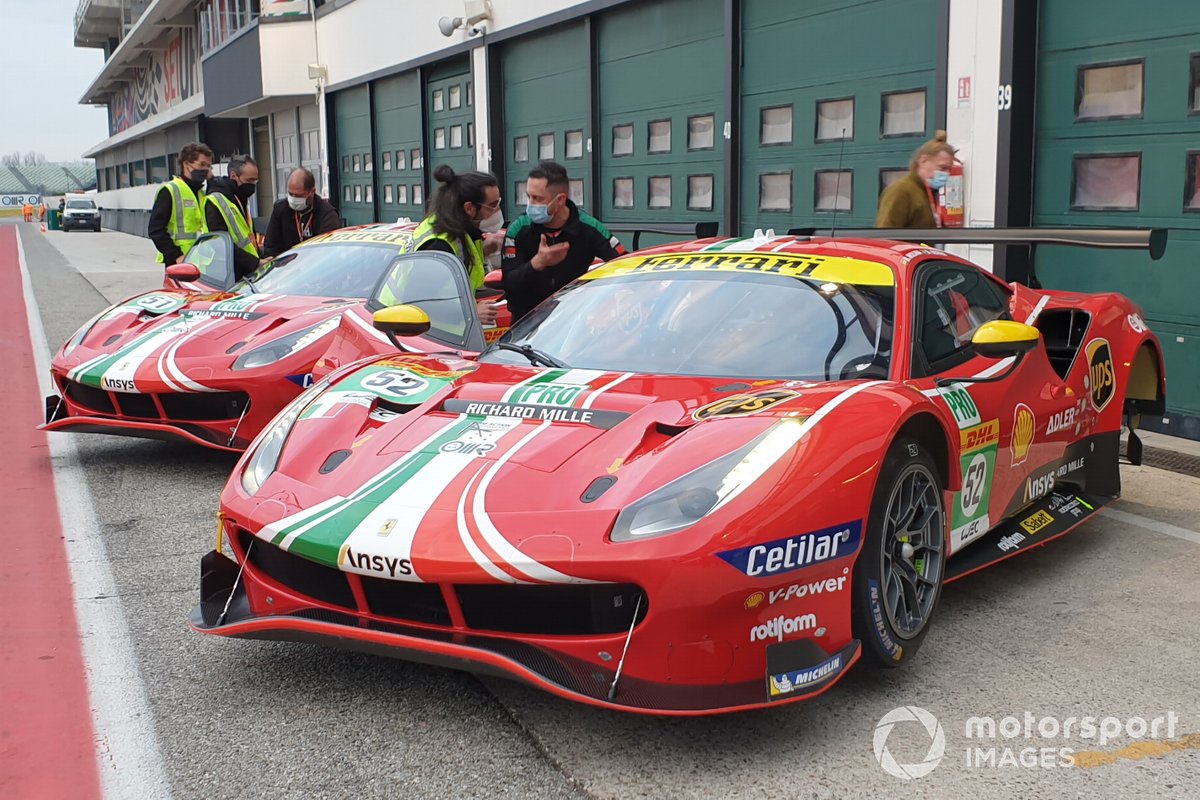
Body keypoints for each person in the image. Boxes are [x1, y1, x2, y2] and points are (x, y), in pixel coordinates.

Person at [502, 160, 626, 321]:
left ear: (560, 199)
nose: (530, 205)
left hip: (572, 320)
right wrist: (537, 263)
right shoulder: (518, 229)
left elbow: (624, 266)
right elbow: (509, 284)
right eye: (529, 197)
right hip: (525, 322)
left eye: (538, 199)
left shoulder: (589, 227)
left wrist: (611, 301)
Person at [407, 165, 503, 325]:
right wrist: (471, 314)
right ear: (469, 208)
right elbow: (420, 302)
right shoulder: (438, 245)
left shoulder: (456, 230)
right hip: (420, 335)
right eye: (493, 206)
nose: (498, 211)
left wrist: (484, 250)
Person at [875, 130, 956, 229]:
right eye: (942, 168)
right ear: (923, 161)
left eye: (949, 169)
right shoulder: (901, 191)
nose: (946, 174)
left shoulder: (928, 192)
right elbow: (885, 233)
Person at [149, 142, 212, 265]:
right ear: (186, 164)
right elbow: (155, 230)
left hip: (201, 264)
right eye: (202, 164)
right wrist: (176, 256)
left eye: (209, 166)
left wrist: (212, 179)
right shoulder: (170, 191)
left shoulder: (202, 193)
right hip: (179, 264)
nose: (206, 170)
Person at [262, 167, 342, 258]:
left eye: (298, 195)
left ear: (312, 192)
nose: (293, 199)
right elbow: (270, 247)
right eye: (290, 194)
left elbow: (326, 251)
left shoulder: (327, 214)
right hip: (286, 267)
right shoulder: (280, 209)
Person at [204, 154, 261, 279]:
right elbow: (221, 244)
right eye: (249, 180)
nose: (252, 185)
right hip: (225, 274)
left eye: (255, 180)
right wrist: (254, 263)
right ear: (234, 176)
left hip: (245, 270)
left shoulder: (240, 197)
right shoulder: (216, 200)